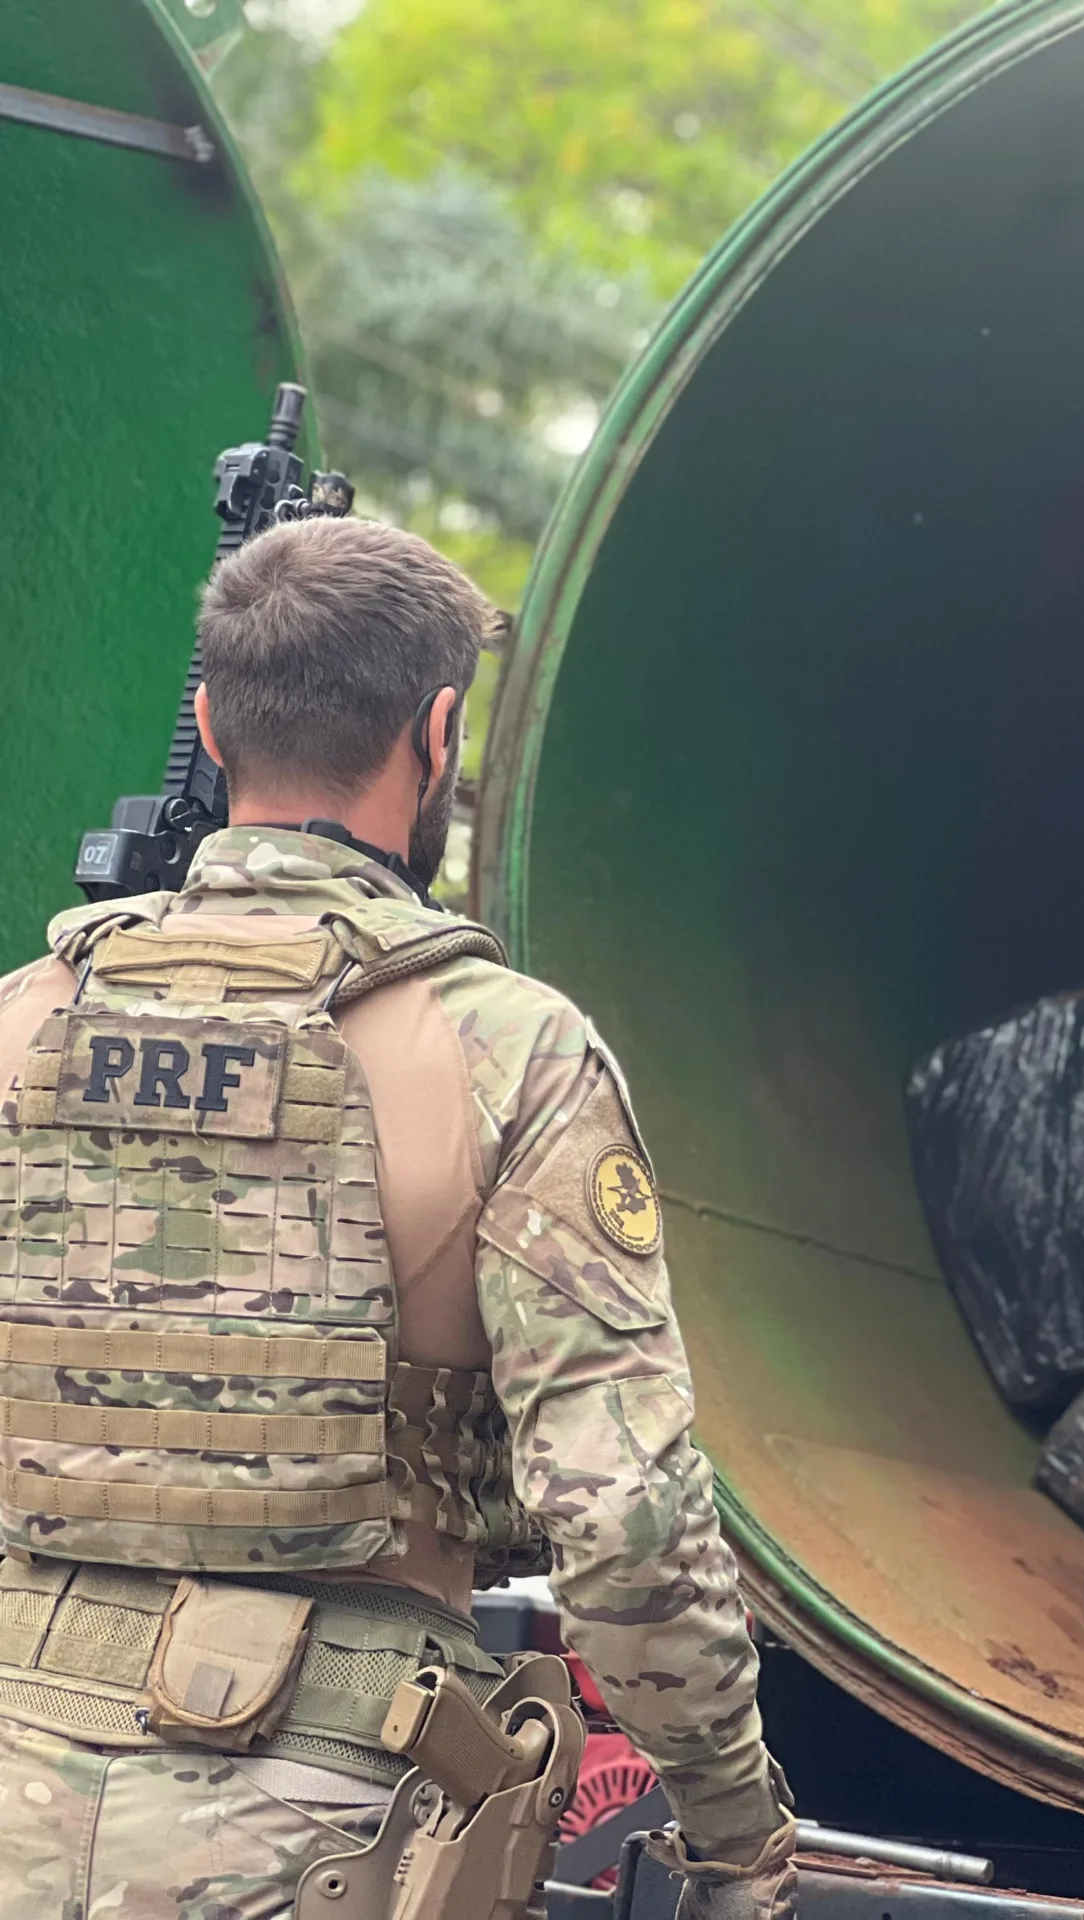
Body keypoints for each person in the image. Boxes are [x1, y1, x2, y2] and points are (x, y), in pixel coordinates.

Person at [0, 518, 792, 1920]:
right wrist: (736, 1838)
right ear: (437, 735)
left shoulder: (28, 1022)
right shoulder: (508, 1051)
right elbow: (623, 1519)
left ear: (209, 721)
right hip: (318, 1823)